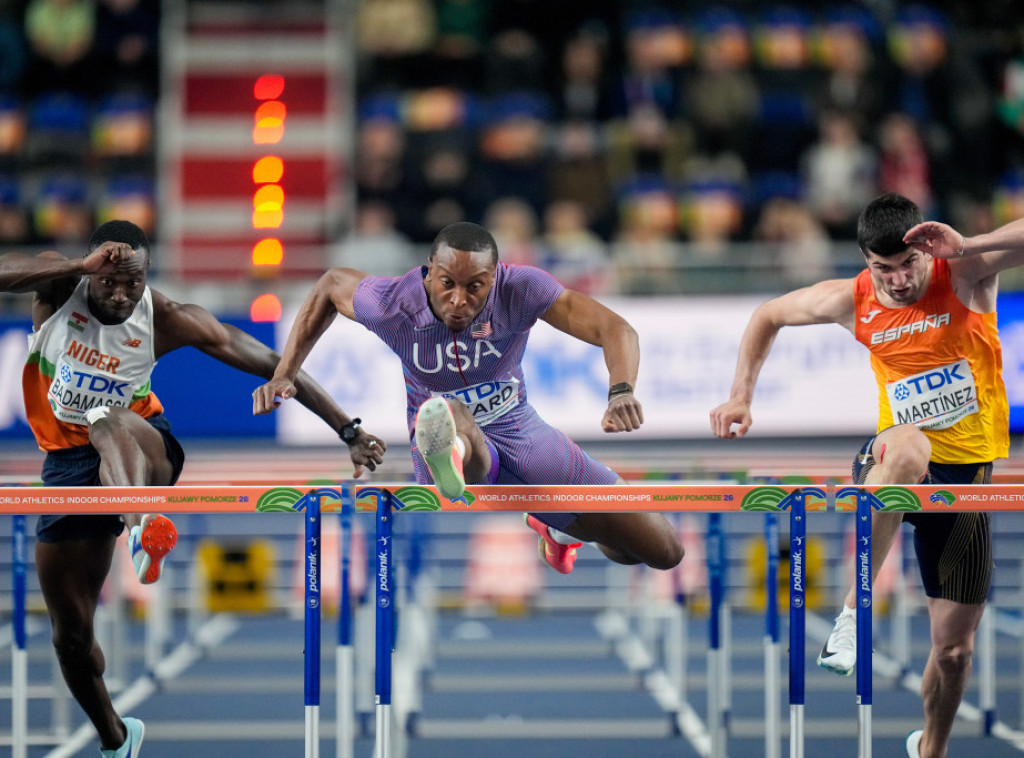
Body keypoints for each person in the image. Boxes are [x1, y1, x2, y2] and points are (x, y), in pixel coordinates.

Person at [0, 220, 385, 758]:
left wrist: (348, 429)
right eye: (108, 282)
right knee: (71, 635)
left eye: (131, 283)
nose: (120, 294)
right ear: (91, 270)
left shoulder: (167, 318)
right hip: (68, 464)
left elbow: (276, 364)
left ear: (147, 276)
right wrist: (78, 268)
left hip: (144, 448)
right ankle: (117, 739)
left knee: (108, 419)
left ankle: (142, 530)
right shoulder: (61, 287)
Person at [710, 192, 1017, 758]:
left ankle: (931, 747)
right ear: (864, 260)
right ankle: (853, 615)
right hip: (890, 458)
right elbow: (767, 315)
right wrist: (740, 397)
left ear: (926, 249)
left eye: (909, 266)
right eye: (884, 269)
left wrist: (968, 243)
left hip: (969, 478)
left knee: (954, 654)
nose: (899, 281)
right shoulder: (850, 300)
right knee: (908, 448)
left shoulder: (963, 271)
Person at [254, 221, 684, 575]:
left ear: (494, 278)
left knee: (660, 552)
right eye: (447, 284)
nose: (459, 300)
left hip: (522, 430)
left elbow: (616, 329)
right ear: (428, 274)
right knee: (449, 416)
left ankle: (560, 530)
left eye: (475, 287)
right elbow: (331, 284)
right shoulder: (392, 302)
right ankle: (450, 453)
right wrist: (284, 373)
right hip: (442, 435)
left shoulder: (521, 289)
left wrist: (621, 389)